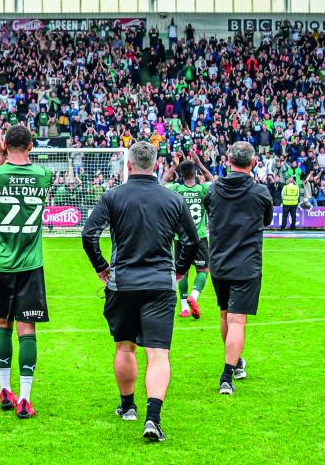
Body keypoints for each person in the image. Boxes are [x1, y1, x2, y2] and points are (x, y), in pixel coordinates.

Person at [82, 141, 199, 443]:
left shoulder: (112, 196)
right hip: (160, 284)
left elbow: (89, 234)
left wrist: (101, 266)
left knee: (124, 347)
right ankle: (153, 419)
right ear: (156, 164)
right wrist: (181, 269)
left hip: (122, 284)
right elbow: (191, 240)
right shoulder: (172, 199)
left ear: (129, 165)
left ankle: (128, 406)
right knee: (158, 354)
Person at [0, 126, 54, 419]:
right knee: (28, 330)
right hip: (30, 263)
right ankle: (24, 398)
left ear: (5, 145)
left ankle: (5, 389)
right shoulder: (44, 175)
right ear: (31, 145)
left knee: (2, 324)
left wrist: (0, 157)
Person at [204, 141, 273, 395]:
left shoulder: (213, 190)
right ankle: (227, 375)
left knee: (225, 316)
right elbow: (266, 219)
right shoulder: (260, 192)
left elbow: (210, 210)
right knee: (237, 320)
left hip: (220, 262)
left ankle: (235, 363)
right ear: (253, 162)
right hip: (246, 264)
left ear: (228, 160)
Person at [161, 150, 214, 319]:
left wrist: (174, 165)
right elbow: (214, 181)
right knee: (203, 270)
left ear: (181, 174)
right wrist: (199, 163)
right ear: (195, 173)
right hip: (199, 237)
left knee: (181, 272)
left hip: (180, 238)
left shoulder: (176, 189)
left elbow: (162, 182)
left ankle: (184, 307)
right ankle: (194, 296)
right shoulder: (203, 188)